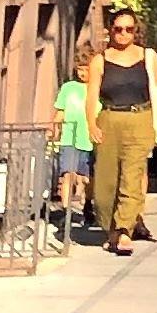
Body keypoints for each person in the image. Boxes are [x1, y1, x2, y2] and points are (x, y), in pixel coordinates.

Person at [85, 7, 157, 257]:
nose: (124, 33)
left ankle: (124, 230)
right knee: (104, 185)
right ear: (110, 31)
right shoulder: (100, 60)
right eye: (118, 29)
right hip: (109, 120)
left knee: (132, 176)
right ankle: (111, 229)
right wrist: (91, 124)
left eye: (129, 29)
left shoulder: (147, 57)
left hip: (140, 119)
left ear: (136, 31)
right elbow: (91, 96)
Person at [50, 65, 94, 240]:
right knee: (67, 174)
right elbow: (61, 111)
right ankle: (66, 214)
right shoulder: (69, 88)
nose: (82, 73)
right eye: (80, 70)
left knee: (86, 178)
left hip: (90, 139)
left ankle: (88, 205)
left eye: (86, 69)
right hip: (69, 137)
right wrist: (53, 129)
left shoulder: (98, 88)